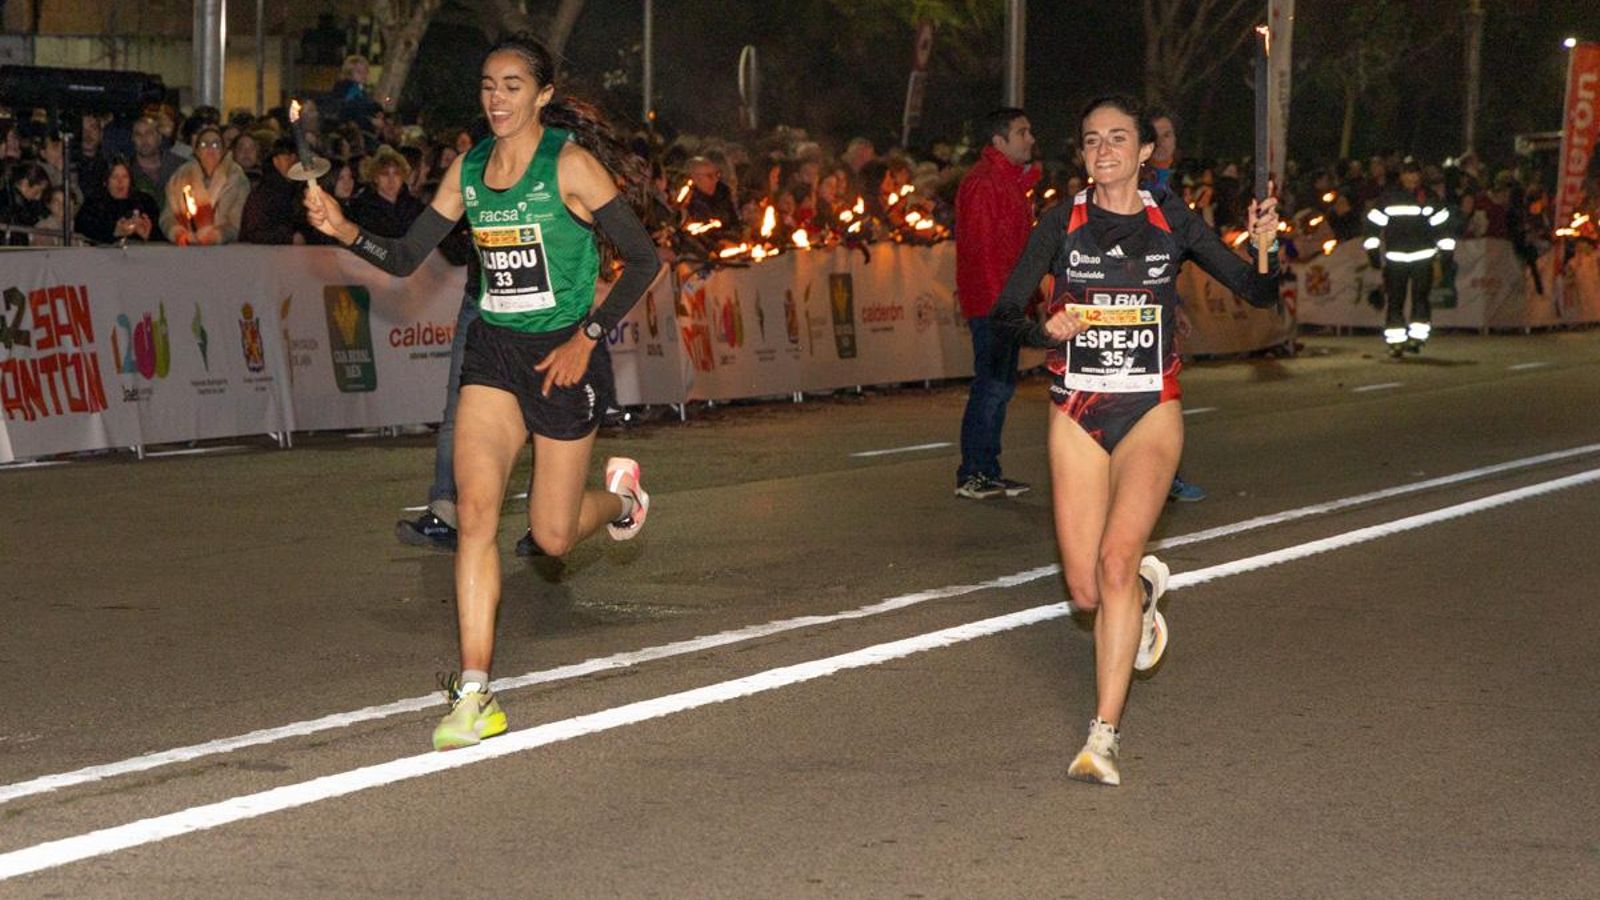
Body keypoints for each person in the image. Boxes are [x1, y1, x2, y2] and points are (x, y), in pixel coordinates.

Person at [306, 33, 662, 751]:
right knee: (476, 515)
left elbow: (647, 260)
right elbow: (408, 255)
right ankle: (474, 692)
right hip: (494, 352)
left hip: (565, 356)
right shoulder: (469, 171)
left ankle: (625, 499)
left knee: (553, 538)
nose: (496, 99)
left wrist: (587, 337)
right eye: (487, 85)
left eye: (511, 86)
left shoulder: (570, 164)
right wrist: (345, 228)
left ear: (542, 95)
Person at [991, 94, 1280, 786]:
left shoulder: (1170, 219)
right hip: (1077, 410)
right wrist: (1043, 331)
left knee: (1118, 560)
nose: (1105, 151)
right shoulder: (1062, 221)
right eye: (1092, 141)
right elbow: (1004, 314)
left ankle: (1104, 736)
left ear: (1144, 152)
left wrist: (1266, 246)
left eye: (1118, 139)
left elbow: (1257, 291)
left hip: (1150, 409)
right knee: (1087, 592)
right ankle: (1143, 601)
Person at [953, 107, 1039, 500]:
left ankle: (987, 469)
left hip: (1004, 301)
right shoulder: (986, 184)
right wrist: (1005, 305)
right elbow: (985, 251)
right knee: (992, 386)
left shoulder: (1007, 183)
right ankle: (974, 472)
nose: (1030, 139)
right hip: (995, 303)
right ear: (999, 141)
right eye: (1022, 132)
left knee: (999, 387)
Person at [1143, 108, 1207, 503]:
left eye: (1169, 135)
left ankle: (1162, 475)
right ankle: (1157, 477)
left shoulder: (1168, 186)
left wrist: (1176, 303)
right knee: (1153, 394)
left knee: (1162, 393)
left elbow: (1171, 256)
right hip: (1140, 304)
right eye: (1157, 136)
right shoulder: (1143, 186)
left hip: (1162, 300)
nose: (1165, 143)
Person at [1363, 159, 1453, 357]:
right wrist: (1373, 252)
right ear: (1402, 176)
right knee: (1395, 300)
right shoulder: (1389, 198)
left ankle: (1417, 338)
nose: (1412, 178)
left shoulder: (1429, 197)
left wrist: (1446, 255)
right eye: (1408, 174)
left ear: (1419, 176)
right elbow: (1372, 227)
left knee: (1420, 299)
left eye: (1415, 174)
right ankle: (1396, 341)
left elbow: (1443, 228)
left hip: (1423, 258)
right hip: (1396, 259)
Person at [161, 124, 250, 245]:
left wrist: (217, 235)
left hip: (225, 251)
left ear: (223, 150)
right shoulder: (180, 177)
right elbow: (167, 216)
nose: (210, 149)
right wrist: (178, 234)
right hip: (186, 248)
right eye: (204, 144)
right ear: (196, 151)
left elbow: (238, 220)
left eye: (215, 144)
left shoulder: (236, 178)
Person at [239, 138, 313, 245]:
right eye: (287, 158)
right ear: (275, 161)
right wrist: (289, 237)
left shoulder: (302, 189)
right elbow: (254, 233)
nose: (292, 162)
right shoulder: (263, 193)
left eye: (295, 158)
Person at [73, 157, 161, 245]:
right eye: (115, 177)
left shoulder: (145, 202)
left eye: (125, 177)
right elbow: (83, 228)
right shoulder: (94, 203)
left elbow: (160, 232)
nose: (120, 182)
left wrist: (148, 234)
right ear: (105, 181)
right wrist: (114, 231)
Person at [346, 144, 425, 236]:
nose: (391, 180)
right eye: (385, 174)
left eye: (396, 173)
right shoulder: (360, 208)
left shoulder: (415, 207)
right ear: (375, 178)